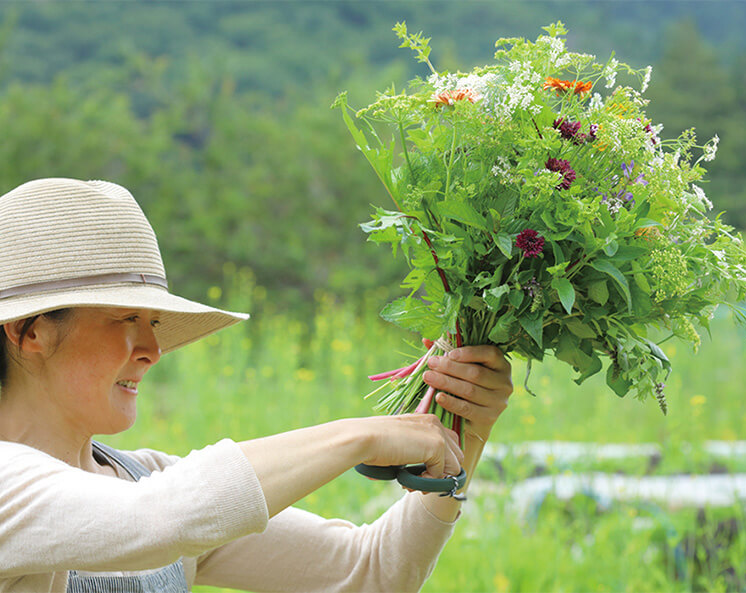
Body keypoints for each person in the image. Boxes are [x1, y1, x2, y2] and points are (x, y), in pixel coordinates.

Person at [0, 178, 513, 592]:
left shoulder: (143, 480)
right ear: (32, 332)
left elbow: (369, 571)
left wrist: (463, 426)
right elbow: (156, 520)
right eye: (125, 319)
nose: (152, 351)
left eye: (153, 324)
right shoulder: (22, 490)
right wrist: (364, 436)